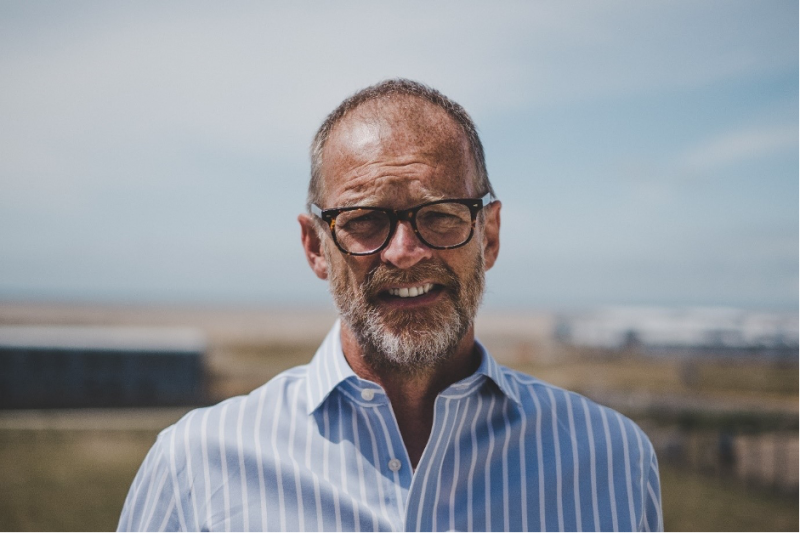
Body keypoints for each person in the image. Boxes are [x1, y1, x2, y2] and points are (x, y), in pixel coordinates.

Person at [119, 79, 663, 532]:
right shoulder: (195, 467)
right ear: (316, 247)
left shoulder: (610, 459)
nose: (405, 253)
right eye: (363, 221)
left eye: (441, 214)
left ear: (489, 235)